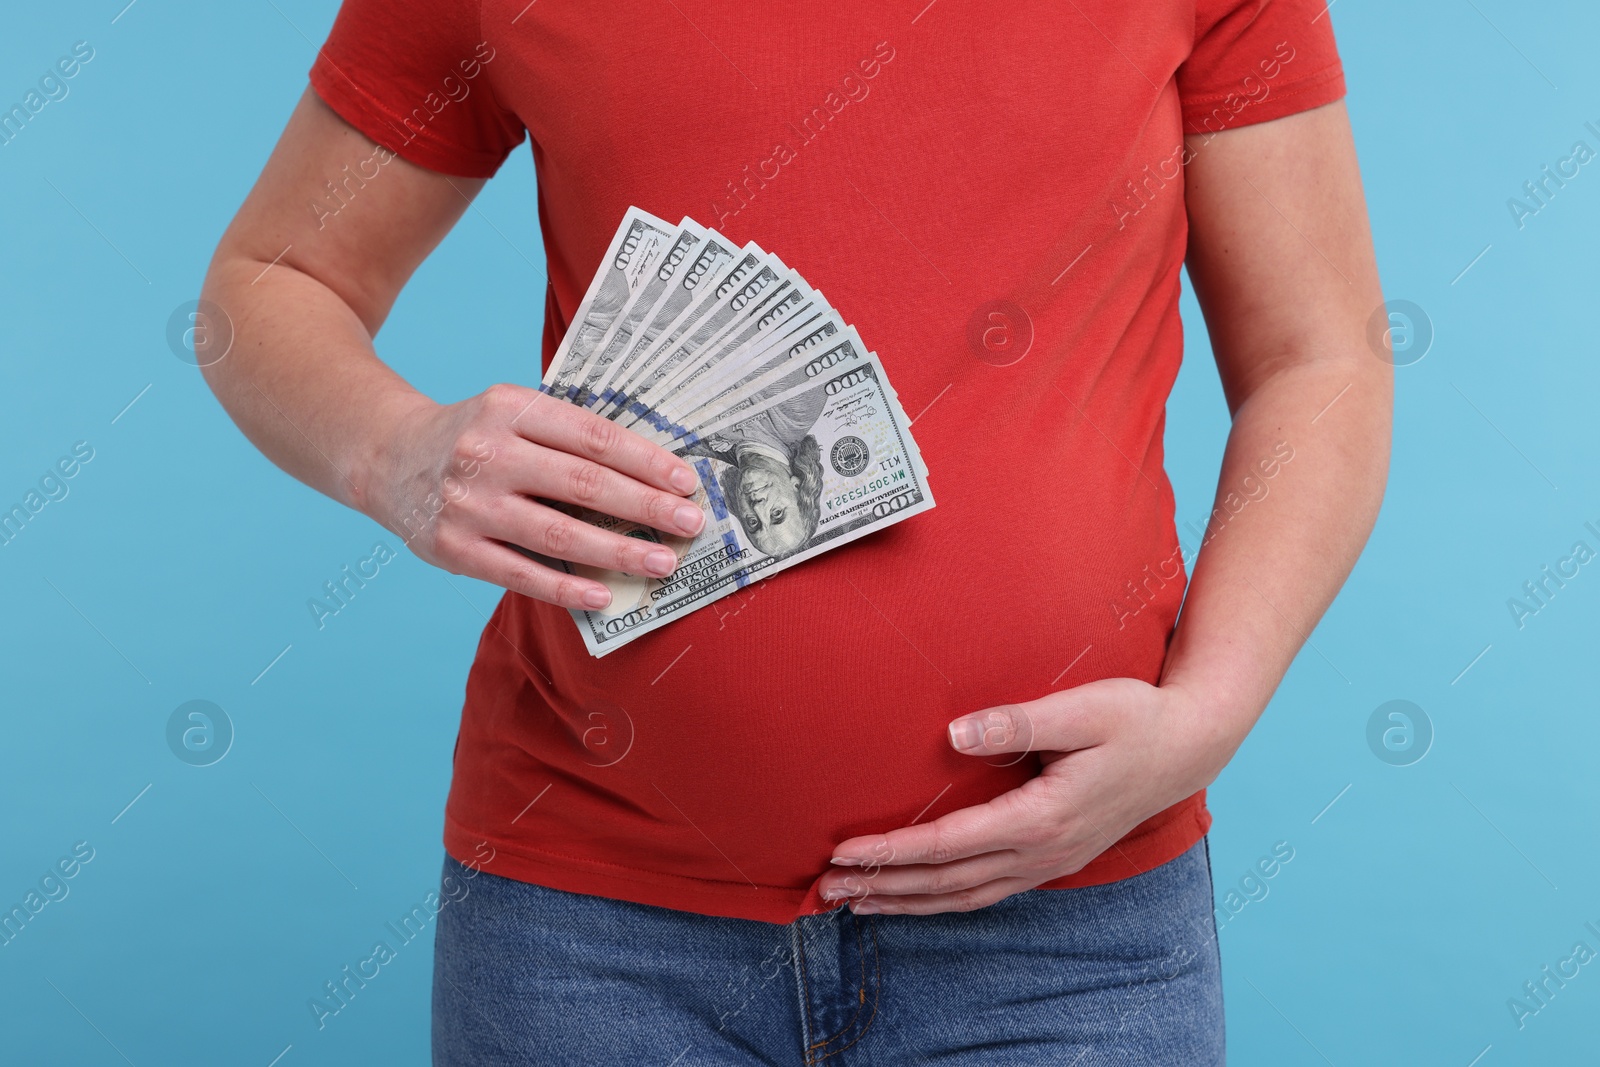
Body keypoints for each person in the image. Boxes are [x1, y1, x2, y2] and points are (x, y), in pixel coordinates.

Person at [198, 1, 1391, 1062]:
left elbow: (1317, 358)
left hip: (1071, 935)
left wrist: (1207, 715)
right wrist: (393, 453)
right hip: (591, 930)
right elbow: (268, 282)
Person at [682, 387, 827, 559]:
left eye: (753, 522)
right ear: (796, 486)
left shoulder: (693, 448)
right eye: (777, 513)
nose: (757, 507)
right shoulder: (800, 409)